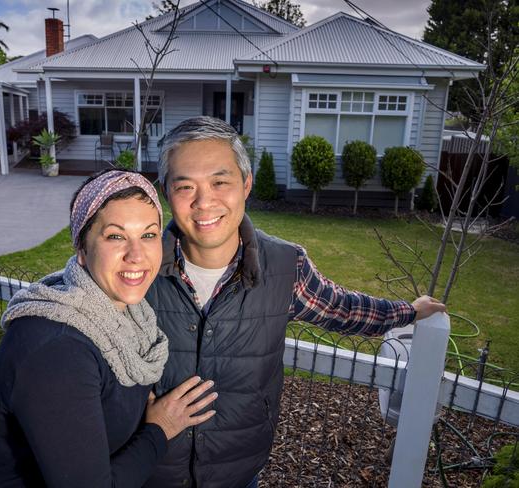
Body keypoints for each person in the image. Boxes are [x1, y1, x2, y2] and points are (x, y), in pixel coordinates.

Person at [140, 116, 447, 488]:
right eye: (185, 186)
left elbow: (342, 309)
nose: (205, 202)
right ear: (166, 192)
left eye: (220, 182)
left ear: (246, 184)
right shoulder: (139, 265)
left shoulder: (286, 266)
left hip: (238, 471)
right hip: (150, 469)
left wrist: (408, 312)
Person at [0, 170, 217, 487]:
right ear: (82, 250)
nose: (137, 255)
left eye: (148, 235)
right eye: (115, 236)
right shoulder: (57, 349)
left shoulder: (130, 319)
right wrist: (160, 429)